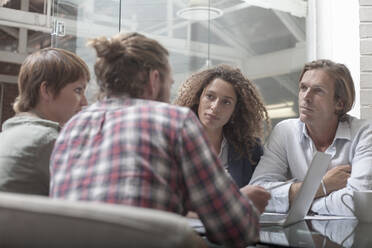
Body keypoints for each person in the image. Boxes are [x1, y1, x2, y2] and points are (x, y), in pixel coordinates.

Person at [49, 32, 270, 247]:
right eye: (170, 82)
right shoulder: (174, 121)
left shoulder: (72, 128)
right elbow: (237, 230)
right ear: (155, 79)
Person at [250, 59, 372, 216]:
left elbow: (362, 204)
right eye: (303, 88)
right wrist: (321, 186)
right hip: (301, 237)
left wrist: (301, 201)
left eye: (318, 90)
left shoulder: (364, 133)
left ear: (339, 104)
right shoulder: (285, 131)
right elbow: (257, 194)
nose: (306, 97)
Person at [0, 48, 90, 195]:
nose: (84, 102)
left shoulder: (7, 135)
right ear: (46, 90)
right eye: (78, 90)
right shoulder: (49, 141)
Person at [174, 64, 270, 188]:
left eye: (226, 102)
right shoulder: (175, 141)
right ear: (199, 98)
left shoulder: (250, 149)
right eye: (210, 96)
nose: (215, 107)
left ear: (235, 110)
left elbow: (262, 192)